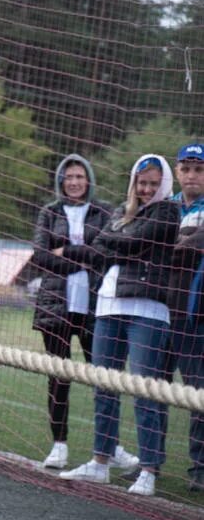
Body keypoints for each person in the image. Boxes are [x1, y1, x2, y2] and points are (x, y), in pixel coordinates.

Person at [60, 154, 180, 497]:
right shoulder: (118, 211)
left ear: (164, 184)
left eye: (154, 184)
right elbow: (103, 249)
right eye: (142, 183)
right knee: (104, 386)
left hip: (148, 310)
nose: (146, 189)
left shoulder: (168, 211)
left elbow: (126, 242)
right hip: (108, 306)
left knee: (145, 390)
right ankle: (101, 460)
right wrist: (121, 242)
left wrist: (117, 241)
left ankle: (148, 468)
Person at [29, 155, 113, 469]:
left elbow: (104, 253)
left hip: (95, 307)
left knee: (103, 379)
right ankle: (59, 445)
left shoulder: (104, 211)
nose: (74, 182)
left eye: (80, 176)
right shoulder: (49, 213)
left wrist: (65, 252)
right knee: (59, 379)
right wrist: (80, 260)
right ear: (61, 181)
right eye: (69, 177)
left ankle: (109, 447)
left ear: (88, 179)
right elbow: (39, 256)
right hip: (56, 308)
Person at [165, 143, 204, 491]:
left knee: (198, 394)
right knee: (152, 389)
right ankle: (150, 465)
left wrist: (181, 241)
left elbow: (191, 245)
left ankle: (199, 469)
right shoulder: (166, 206)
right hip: (159, 308)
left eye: (199, 169)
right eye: (186, 168)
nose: (192, 175)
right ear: (177, 171)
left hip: (195, 315)